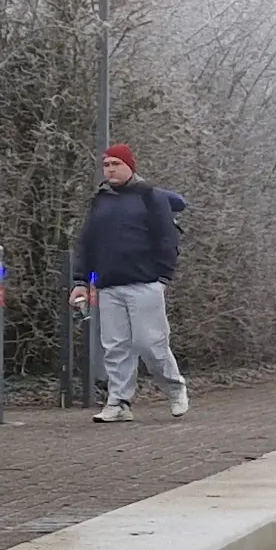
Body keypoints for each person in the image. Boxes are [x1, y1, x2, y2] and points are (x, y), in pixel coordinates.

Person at [71, 143, 190, 421]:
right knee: (115, 347)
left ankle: (174, 388)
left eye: (116, 164)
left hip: (145, 283)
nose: (110, 169)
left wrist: (163, 275)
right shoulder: (100, 200)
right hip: (109, 285)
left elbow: (167, 239)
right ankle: (119, 403)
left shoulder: (150, 197)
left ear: (130, 166)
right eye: (107, 164)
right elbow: (87, 243)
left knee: (151, 343)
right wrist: (80, 280)